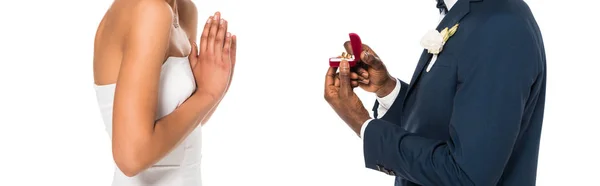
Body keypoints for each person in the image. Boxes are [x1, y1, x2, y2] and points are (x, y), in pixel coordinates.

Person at [324, 0, 546, 185]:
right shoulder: (470, 15)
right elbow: (440, 129)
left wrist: (361, 123)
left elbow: (466, 177)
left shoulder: (500, 28)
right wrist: (386, 90)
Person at [93, 0, 237, 185]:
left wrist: (214, 85)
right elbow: (131, 157)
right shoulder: (150, 10)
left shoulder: (185, 10)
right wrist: (207, 94)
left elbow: (185, 129)